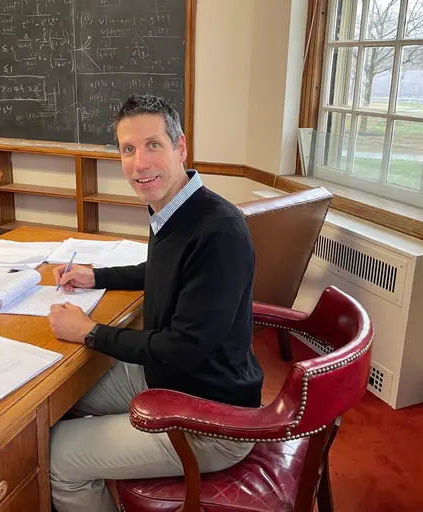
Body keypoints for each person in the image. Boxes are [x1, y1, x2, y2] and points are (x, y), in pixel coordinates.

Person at [46, 94, 264, 512]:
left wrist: (90, 332)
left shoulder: (218, 231)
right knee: (61, 397)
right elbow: (163, 269)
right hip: (170, 380)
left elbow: (181, 348)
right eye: (128, 149)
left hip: (211, 419)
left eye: (152, 145)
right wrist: (97, 276)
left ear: (180, 147)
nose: (139, 163)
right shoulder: (176, 208)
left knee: (57, 456)